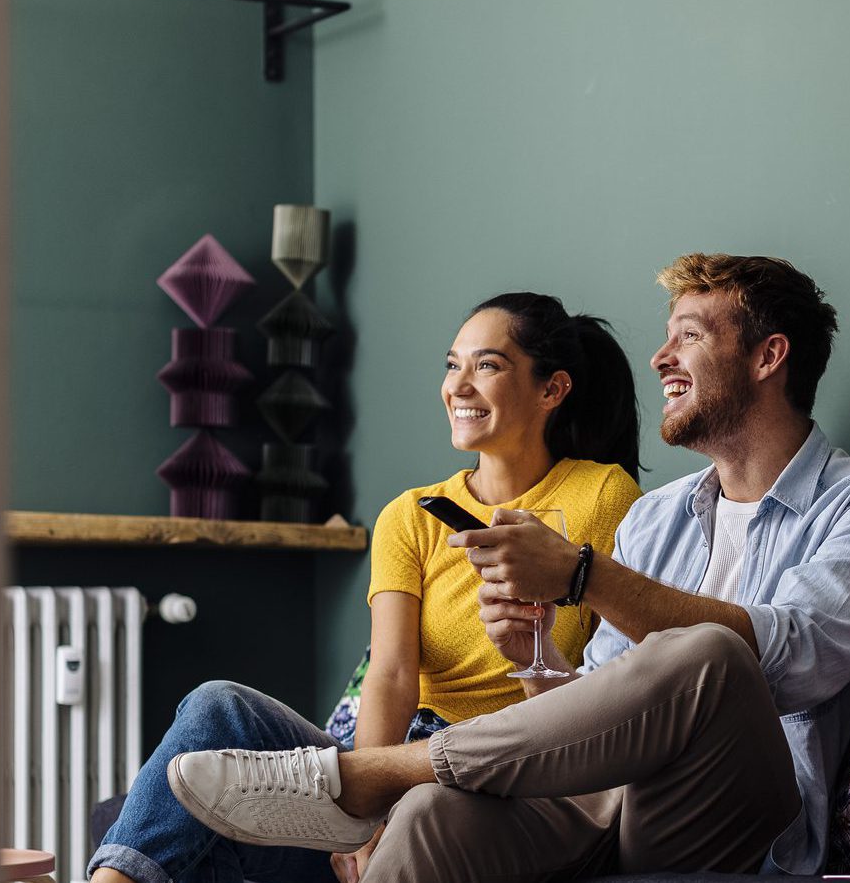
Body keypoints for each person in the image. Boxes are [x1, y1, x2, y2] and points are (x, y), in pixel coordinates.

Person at [168, 253, 850, 881]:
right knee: (435, 816)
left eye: (690, 337)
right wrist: (535, 658)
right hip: (605, 805)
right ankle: (392, 788)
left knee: (712, 651)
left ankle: (371, 775)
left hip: (739, 818)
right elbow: (605, 696)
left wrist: (581, 576)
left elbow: (790, 659)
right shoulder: (659, 515)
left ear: (770, 356)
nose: (660, 356)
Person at [88, 292, 644, 883]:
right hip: (398, 758)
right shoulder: (410, 516)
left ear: (552, 390)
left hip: (503, 762)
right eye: (452, 364)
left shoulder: (602, 497)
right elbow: (392, 674)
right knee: (214, 709)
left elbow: (618, 669)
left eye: (487, 365)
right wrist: (366, 818)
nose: (458, 385)